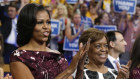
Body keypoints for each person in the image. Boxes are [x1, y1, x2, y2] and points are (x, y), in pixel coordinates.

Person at [10, 3, 89, 79]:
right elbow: (68, 71)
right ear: (28, 25)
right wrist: (69, 70)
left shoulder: (58, 56)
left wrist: (80, 67)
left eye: (48, 22)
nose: (46, 27)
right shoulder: (19, 57)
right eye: (40, 22)